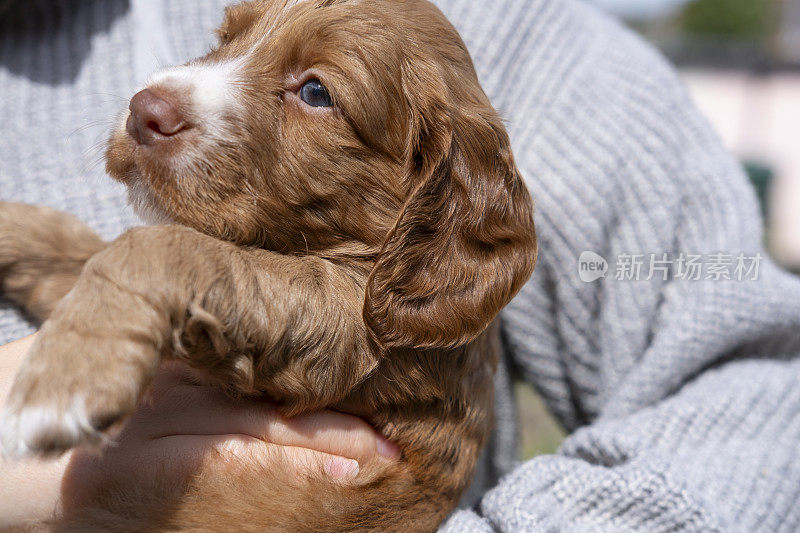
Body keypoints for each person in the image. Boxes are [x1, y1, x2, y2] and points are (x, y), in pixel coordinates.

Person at [2, 0, 800, 530]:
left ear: (433, 194)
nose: (169, 95)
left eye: (314, 92)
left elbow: (761, 397)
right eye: (224, 41)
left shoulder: (368, 296)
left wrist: (139, 275)